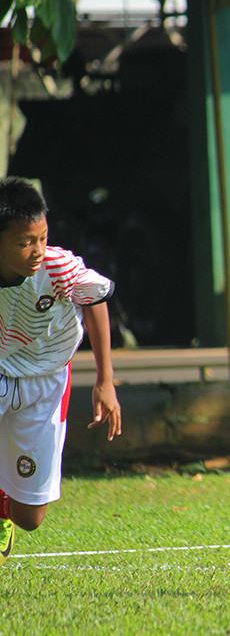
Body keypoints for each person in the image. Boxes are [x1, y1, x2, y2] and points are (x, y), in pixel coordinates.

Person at [0, 177, 122, 564]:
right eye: (24, 242)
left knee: (30, 517)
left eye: (42, 238)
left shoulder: (58, 267)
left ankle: (6, 508)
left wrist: (105, 381)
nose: (37, 250)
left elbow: (96, 301)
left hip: (46, 380)